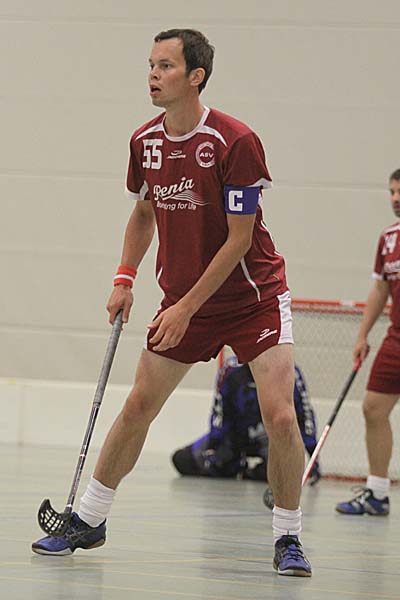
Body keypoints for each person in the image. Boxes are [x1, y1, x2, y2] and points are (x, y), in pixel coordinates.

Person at [32, 28, 312, 576]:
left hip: (253, 297)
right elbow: (143, 213)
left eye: (165, 66)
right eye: (151, 65)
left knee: (280, 416)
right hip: (184, 299)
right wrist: (124, 277)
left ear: (196, 76)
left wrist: (185, 309)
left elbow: (239, 240)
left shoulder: (235, 141)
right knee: (139, 405)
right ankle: (89, 519)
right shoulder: (144, 142)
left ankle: (288, 537)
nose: (153, 75)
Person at [336, 169, 400, 516]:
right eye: (391, 192)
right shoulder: (388, 239)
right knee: (373, 408)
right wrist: (362, 335)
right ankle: (377, 494)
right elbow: (380, 288)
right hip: (396, 338)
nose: (395, 198)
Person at [172, 355, 321, 484]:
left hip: (270, 440)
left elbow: (305, 414)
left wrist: (312, 453)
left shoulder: (289, 372)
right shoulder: (231, 370)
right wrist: (216, 443)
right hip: (235, 436)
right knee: (182, 460)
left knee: (277, 472)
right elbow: (220, 410)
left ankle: (250, 471)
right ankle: (235, 466)